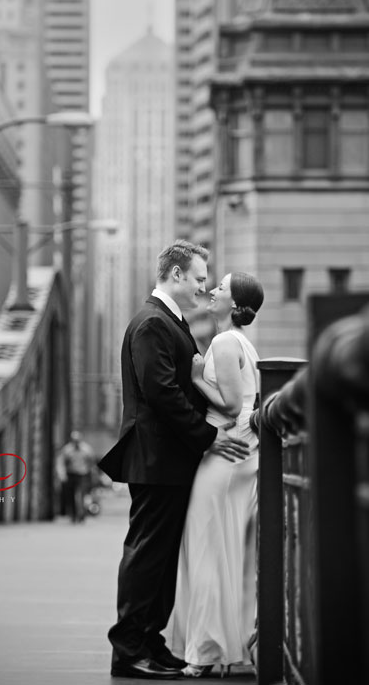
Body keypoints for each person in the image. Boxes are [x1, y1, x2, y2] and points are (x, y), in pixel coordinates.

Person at [98, 241, 251, 680]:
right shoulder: (152, 323)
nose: (205, 287)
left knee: (161, 557)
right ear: (177, 275)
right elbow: (161, 391)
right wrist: (209, 438)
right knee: (148, 554)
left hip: (169, 458)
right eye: (201, 278)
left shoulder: (171, 322)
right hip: (157, 458)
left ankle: (151, 641)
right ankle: (128, 649)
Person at [166, 271, 264, 678]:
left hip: (225, 454)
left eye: (220, 287)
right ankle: (228, 645)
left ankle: (205, 651)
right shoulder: (244, 344)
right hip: (243, 453)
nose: (211, 290)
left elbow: (226, 405)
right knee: (227, 552)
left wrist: (191, 378)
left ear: (235, 304)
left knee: (206, 549)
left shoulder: (224, 342)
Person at [56, 430, 96, 523]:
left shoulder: (86, 449)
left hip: (83, 474)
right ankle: (73, 515)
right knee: (71, 495)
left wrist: (91, 473)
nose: (76, 441)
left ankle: (81, 514)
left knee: (81, 494)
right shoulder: (67, 450)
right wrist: (62, 474)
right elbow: (61, 463)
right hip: (71, 474)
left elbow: (91, 462)